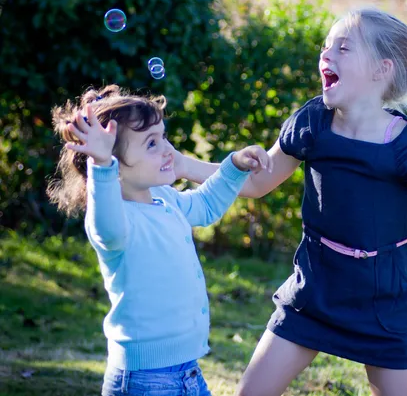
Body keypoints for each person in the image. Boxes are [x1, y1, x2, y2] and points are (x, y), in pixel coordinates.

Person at [177, 7, 407, 396]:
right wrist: (179, 163)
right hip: (314, 292)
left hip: (384, 305)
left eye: (343, 48)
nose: (326, 55)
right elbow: (256, 183)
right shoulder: (313, 123)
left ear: (382, 69)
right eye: (326, 47)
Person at [46, 84, 271, 396]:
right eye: (151, 144)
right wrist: (101, 164)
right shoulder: (115, 220)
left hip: (186, 370)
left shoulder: (164, 198)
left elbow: (205, 206)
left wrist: (233, 168)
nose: (168, 150)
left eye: (163, 136)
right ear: (114, 165)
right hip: (144, 380)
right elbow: (107, 225)